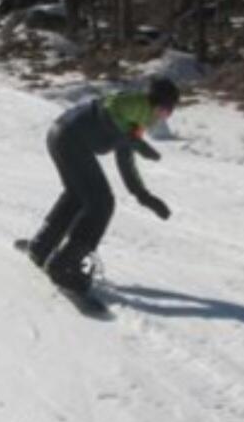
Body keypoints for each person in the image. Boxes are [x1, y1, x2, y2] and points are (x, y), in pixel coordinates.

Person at [25, 76, 180, 294]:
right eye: (166, 110)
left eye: (169, 112)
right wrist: (136, 142)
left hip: (61, 135)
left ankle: (42, 246)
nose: (165, 117)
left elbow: (124, 157)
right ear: (157, 103)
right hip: (69, 138)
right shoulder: (135, 103)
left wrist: (142, 194)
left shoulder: (140, 117)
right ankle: (64, 266)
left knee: (78, 195)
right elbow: (107, 111)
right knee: (101, 202)